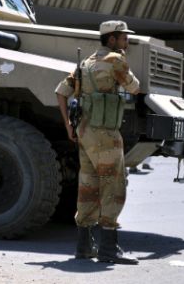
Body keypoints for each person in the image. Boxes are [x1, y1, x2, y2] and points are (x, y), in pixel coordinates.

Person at [55, 20, 140, 265]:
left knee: (88, 186)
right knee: (113, 186)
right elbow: (135, 88)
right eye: (123, 37)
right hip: (106, 134)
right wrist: (123, 62)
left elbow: (60, 92)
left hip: (84, 132)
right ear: (111, 39)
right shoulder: (116, 60)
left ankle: (84, 246)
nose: (127, 42)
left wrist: (68, 125)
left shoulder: (85, 63)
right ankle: (108, 250)